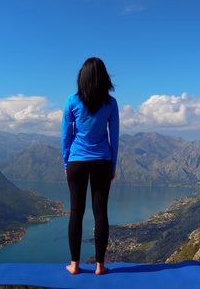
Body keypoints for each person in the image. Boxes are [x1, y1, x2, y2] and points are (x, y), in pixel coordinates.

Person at [61, 57, 119, 275]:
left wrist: (67, 162)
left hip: (76, 161)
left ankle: (74, 265)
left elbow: (66, 136)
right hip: (102, 162)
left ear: (81, 77)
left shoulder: (72, 101)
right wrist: (112, 166)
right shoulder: (111, 104)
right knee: (100, 213)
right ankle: (100, 266)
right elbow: (114, 137)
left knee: (76, 212)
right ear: (104, 78)